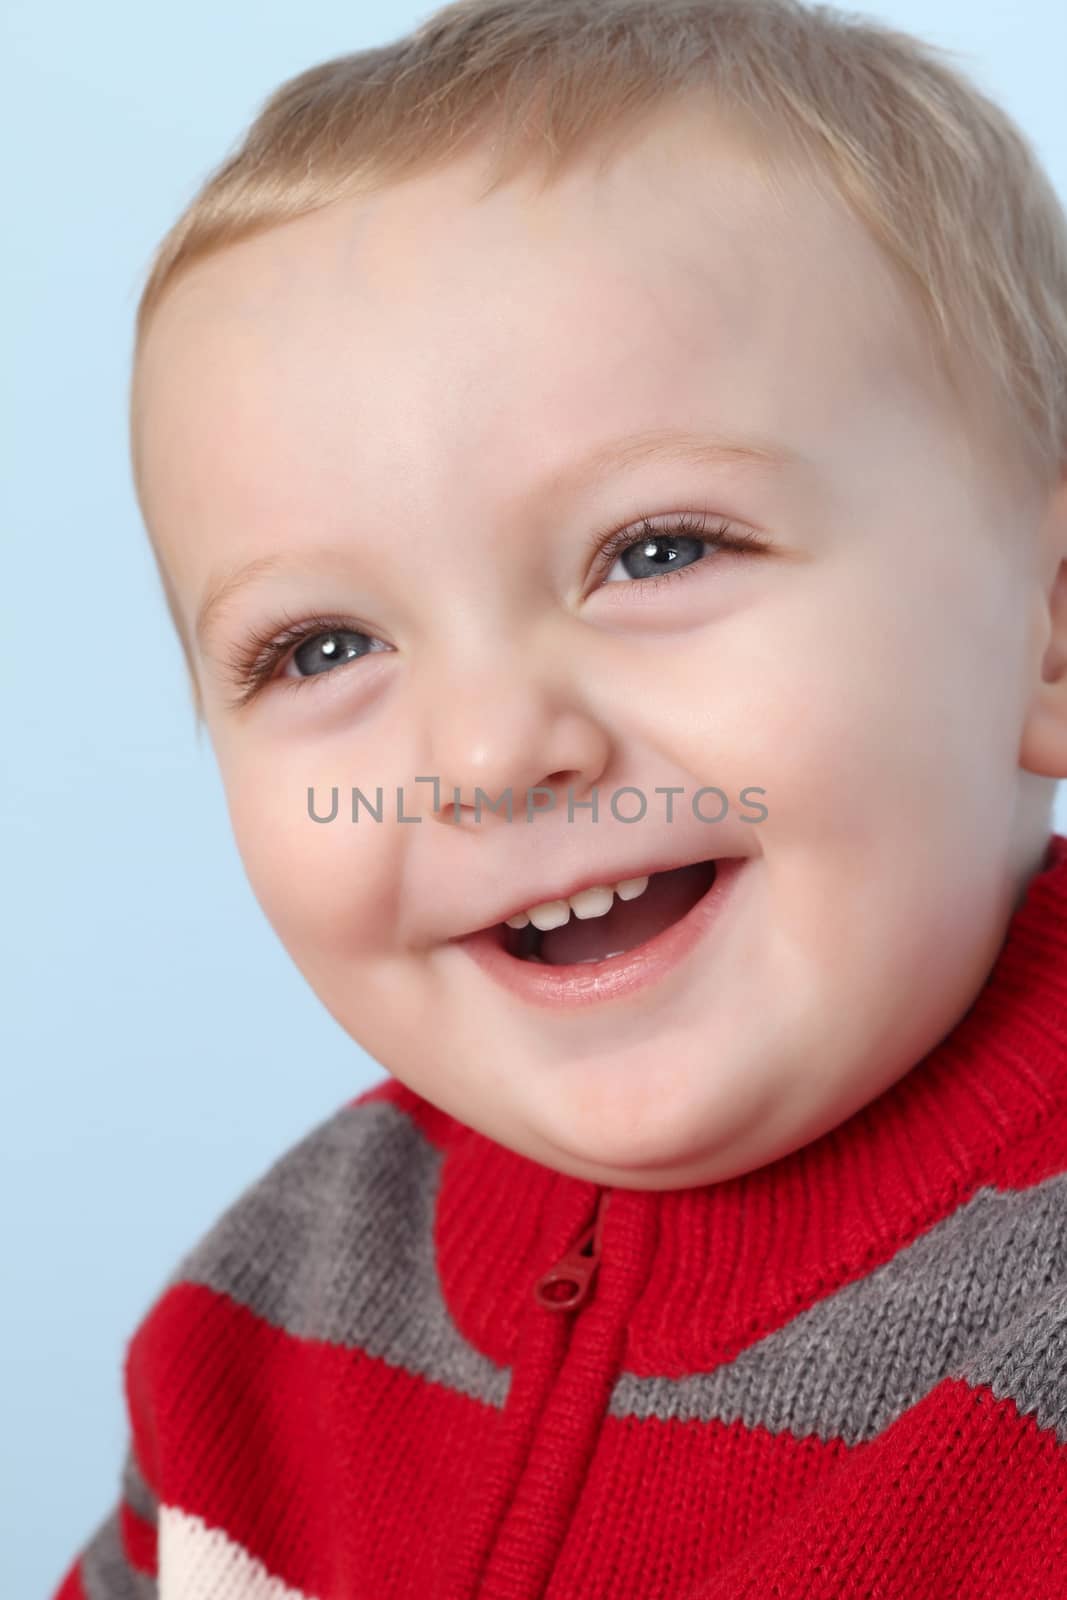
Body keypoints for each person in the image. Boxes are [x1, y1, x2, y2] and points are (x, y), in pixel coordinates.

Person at [52, 0, 1067, 1594]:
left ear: (1051, 622)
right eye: (321, 645)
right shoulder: (251, 1338)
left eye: (657, 551)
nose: (486, 752)